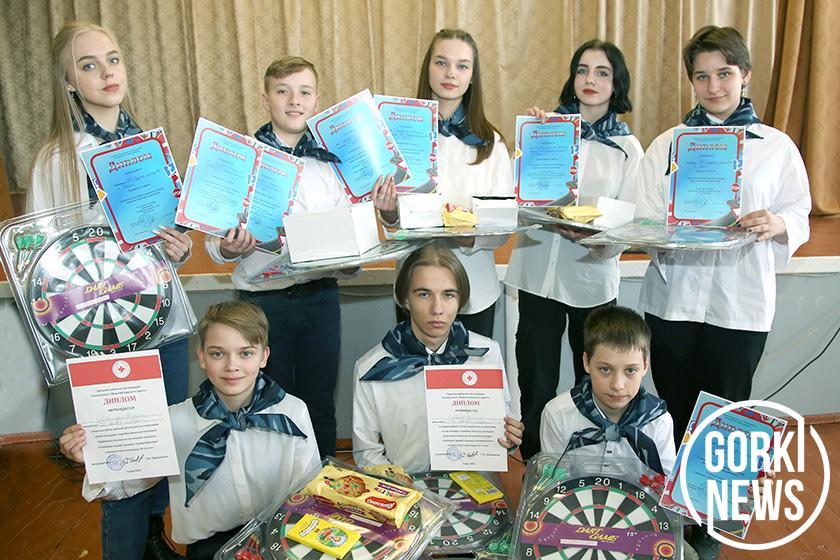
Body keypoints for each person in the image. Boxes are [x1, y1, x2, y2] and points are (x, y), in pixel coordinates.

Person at [28, 21, 193, 560]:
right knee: (120, 454)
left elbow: (168, 239)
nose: (106, 73)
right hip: (104, 334)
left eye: (113, 59)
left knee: (163, 441)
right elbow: (41, 263)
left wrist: (178, 249)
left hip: (164, 322)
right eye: (89, 65)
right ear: (69, 82)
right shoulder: (58, 158)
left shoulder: (149, 148)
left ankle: (154, 540)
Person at [204, 56, 392, 458]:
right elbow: (212, 241)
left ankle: (322, 480)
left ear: (316, 100)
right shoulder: (243, 160)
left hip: (320, 298)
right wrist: (225, 248)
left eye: (304, 92)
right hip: (261, 304)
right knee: (263, 399)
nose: (294, 101)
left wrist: (350, 260)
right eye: (283, 91)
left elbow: (351, 237)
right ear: (265, 99)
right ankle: (271, 486)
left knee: (319, 399)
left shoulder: (333, 163)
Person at [634, 26, 811, 444]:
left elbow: (798, 211)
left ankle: (716, 485)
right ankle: (674, 486)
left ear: (745, 74)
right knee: (674, 411)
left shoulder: (776, 147)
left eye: (724, 73)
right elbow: (642, 216)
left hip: (740, 305)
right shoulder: (667, 145)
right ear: (691, 81)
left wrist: (777, 222)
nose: (713, 87)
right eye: (702, 76)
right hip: (672, 303)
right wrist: (669, 227)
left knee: (726, 416)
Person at [59, 301, 321, 560]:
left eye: (245, 353)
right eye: (218, 354)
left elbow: (309, 491)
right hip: (209, 547)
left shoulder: (292, 412)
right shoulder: (176, 421)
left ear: (264, 356)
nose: (232, 365)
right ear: (201, 357)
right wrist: (93, 458)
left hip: (278, 539)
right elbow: (128, 483)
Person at [505, 40, 644, 459]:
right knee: (536, 381)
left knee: (595, 383)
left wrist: (596, 237)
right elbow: (516, 197)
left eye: (602, 73)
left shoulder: (628, 148)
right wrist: (530, 144)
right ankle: (535, 465)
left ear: (617, 83)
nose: (590, 80)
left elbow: (630, 220)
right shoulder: (545, 131)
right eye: (583, 70)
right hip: (536, 275)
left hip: (591, 278)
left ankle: (588, 464)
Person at [374, 29, 514, 338]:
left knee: (472, 371)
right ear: (427, 68)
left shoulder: (492, 144)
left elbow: (503, 227)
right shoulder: (395, 137)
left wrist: (470, 237)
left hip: (474, 291)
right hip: (415, 291)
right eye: (441, 63)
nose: (451, 73)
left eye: (462, 66)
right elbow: (391, 227)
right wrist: (389, 213)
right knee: (414, 369)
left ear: (472, 76)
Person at [352, 243, 523, 472]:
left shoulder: (485, 353)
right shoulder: (372, 368)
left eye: (448, 295)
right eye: (424, 294)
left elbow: (500, 423)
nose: (437, 309)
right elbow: (367, 453)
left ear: (461, 300)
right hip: (403, 484)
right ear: (405, 299)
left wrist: (509, 437)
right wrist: (400, 484)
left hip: (474, 481)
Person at [540, 305, 676, 476]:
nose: (617, 385)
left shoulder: (659, 422)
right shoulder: (557, 414)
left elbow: (665, 486)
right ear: (586, 362)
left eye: (630, 370)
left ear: (645, 366)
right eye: (605, 369)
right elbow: (552, 482)